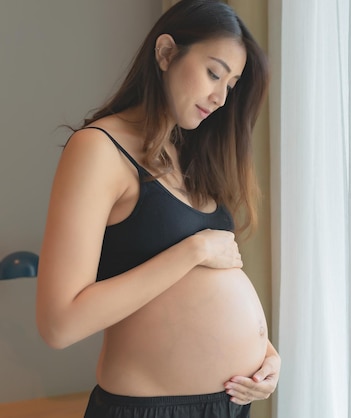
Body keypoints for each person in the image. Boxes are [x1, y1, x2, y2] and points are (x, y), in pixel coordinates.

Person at [35, 1, 280, 417]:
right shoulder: (98, 150)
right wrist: (193, 252)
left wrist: (267, 355)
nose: (221, 97)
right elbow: (59, 325)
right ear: (166, 53)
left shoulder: (192, 154)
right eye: (214, 73)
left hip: (229, 405)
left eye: (232, 84)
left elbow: (202, 292)